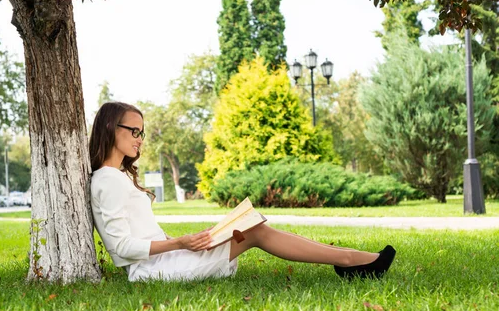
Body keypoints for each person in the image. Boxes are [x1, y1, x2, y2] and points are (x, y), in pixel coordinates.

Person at [89, 102, 396, 282]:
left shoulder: (117, 177)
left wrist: (192, 241)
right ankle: (350, 262)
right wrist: (180, 243)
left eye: (141, 133)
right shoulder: (107, 179)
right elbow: (121, 247)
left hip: (168, 259)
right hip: (153, 271)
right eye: (134, 131)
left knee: (251, 226)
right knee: (255, 232)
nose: (140, 139)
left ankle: (349, 261)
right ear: (110, 129)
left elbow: (142, 235)